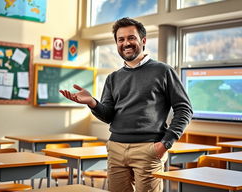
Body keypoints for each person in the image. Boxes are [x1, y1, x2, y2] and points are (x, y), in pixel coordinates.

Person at [60, 17, 193, 192]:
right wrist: (92, 102)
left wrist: (165, 144)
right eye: (120, 39)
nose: (126, 43)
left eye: (131, 38)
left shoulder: (163, 71)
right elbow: (108, 115)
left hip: (149, 149)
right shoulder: (113, 78)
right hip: (115, 148)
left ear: (143, 41)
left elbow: (184, 109)